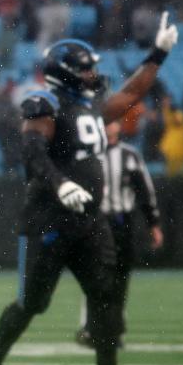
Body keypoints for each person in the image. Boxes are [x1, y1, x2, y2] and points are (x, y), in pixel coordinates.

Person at [0, 12, 179, 365]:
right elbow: (32, 153)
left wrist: (159, 54)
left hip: (89, 221)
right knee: (31, 304)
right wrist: (61, 183)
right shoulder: (44, 104)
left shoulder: (90, 109)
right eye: (86, 70)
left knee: (105, 297)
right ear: (66, 72)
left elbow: (132, 94)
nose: (92, 76)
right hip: (49, 222)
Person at [75, 121, 163, 348]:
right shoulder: (89, 155)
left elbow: (145, 190)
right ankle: (90, 328)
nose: (108, 126)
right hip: (95, 222)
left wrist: (153, 222)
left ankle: (114, 330)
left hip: (120, 223)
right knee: (94, 278)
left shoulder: (129, 155)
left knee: (120, 279)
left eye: (112, 121)